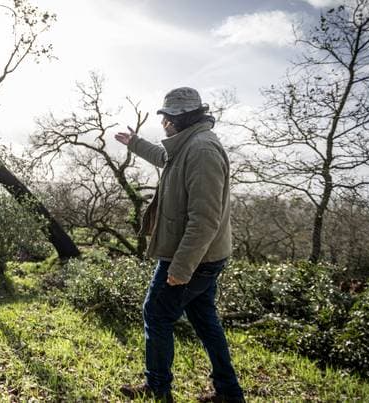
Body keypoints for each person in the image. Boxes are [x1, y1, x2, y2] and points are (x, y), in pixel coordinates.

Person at [114, 87, 244, 402]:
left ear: (183, 118)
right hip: (202, 255)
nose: (164, 123)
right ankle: (229, 393)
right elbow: (165, 157)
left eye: (168, 118)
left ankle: (158, 389)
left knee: (156, 313)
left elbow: (205, 220)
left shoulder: (202, 150)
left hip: (192, 257)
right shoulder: (189, 143)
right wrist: (135, 143)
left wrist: (181, 268)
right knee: (204, 319)